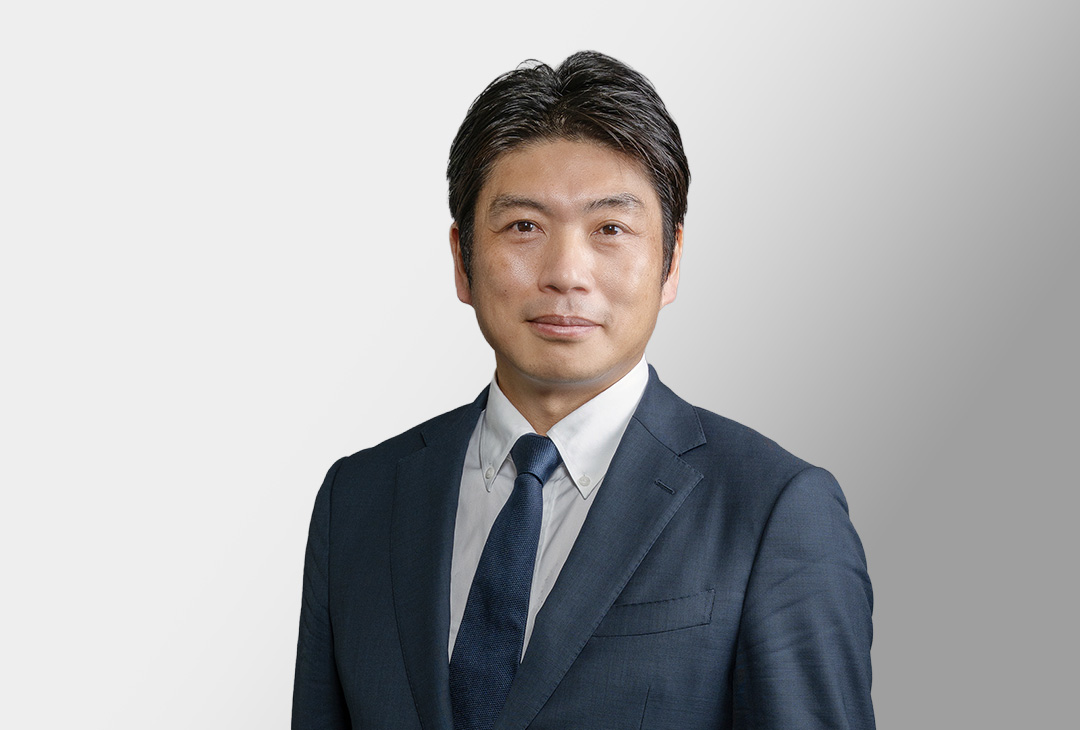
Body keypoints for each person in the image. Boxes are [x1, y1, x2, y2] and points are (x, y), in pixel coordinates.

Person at [292, 51, 875, 730]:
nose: (566, 272)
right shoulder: (358, 500)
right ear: (462, 260)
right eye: (524, 227)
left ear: (671, 262)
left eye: (610, 230)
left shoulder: (774, 510)